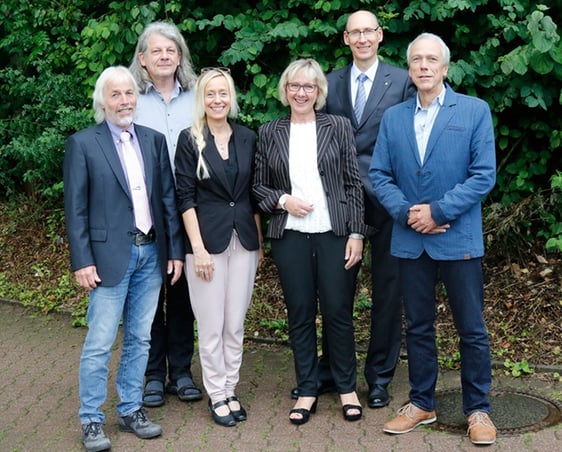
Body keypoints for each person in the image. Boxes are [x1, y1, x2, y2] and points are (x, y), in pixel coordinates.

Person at [369, 33, 497, 445]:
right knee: (418, 327)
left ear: (445, 67)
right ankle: (422, 402)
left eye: (432, 60)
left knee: (471, 328)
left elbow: (483, 175)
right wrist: (409, 213)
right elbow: (379, 175)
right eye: (416, 60)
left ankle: (478, 409)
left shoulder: (474, 111)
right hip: (410, 239)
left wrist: (437, 212)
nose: (424, 66)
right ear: (409, 69)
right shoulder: (394, 117)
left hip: (458, 238)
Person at [293, 10, 416, 409]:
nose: (362, 38)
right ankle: (332, 372)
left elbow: (409, 139)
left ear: (380, 35)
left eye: (369, 31)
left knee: (388, 292)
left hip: (388, 202)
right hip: (340, 202)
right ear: (345, 39)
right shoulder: (328, 83)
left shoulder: (401, 81)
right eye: (355, 32)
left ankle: (379, 378)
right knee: (335, 292)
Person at [64, 66, 185, 451]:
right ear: (103, 101)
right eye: (115, 95)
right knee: (100, 342)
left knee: (140, 338)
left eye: (129, 93)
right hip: (107, 257)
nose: (124, 101)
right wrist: (82, 261)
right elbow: (76, 209)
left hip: (151, 254)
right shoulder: (83, 144)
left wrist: (175, 251)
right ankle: (91, 419)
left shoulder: (151, 141)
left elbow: (167, 200)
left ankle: (131, 409)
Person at [253, 58, 367, 425]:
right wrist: (284, 201)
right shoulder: (270, 131)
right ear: (285, 90)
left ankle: (347, 387)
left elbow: (353, 183)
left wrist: (357, 233)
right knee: (300, 314)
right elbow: (258, 187)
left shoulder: (338, 126)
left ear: (319, 92)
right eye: (294, 86)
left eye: (309, 87)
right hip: (290, 236)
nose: (301, 92)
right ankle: (306, 389)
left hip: (335, 233)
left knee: (338, 312)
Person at [175, 67, 263, 427]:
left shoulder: (247, 137)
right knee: (211, 326)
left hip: (243, 241)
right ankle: (216, 394)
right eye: (210, 94)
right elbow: (185, 196)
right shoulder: (189, 139)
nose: (217, 100)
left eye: (223, 93)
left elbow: (253, 194)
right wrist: (197, 249)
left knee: (235, 324)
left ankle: (231, 388)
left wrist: (257, 245)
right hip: (206, 245)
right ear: (202, 99)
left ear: (232, 98)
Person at [129, 21, 202, 407]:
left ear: (180, 57)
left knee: (184, 294)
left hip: (191, 208)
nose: (164, 56)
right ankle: (153, 374)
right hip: (148, 210)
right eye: (156, 50)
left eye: (171, 51)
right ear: (142, 58)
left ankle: (183, 371)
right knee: (149, 295)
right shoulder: (130, 101)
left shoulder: (197, 99)